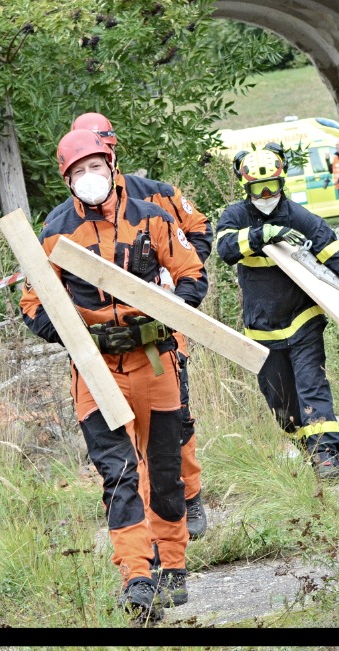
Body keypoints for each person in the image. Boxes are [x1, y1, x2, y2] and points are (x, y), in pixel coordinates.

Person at [20, 130, 208, 621]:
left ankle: (172, 567)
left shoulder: (151, 217)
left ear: (111, 165)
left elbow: (192, 274)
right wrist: (68, 334)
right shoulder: (56, 230)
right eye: (78, 172)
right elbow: (33, 301)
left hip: (155, 361)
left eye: (95, 167)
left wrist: (173, 308)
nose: (89, 177)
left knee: (164, 470)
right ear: (67, 179)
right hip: (95, 369)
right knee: (119, 473)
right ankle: (137, 577)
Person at [69, 113, 212, 543]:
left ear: (112, 153)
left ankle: (189, 497)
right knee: (120, 434)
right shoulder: (70, 219)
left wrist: (172, 285)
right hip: (111, 341)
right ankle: (146, 517)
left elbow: (199, 232)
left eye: (100, 158)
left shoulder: (157, 196)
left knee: (176, 418)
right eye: (81, 165)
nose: (92, 173)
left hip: (165, 327)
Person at [215, 146, 339, 479]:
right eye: (259, 189)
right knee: (281, 404)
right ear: (247, 189)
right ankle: (308, 448)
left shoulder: (298, 216)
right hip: (261, 327)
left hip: (303, 319)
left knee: (312, 385)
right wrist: (264, 234)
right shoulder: (235, 216)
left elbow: (335, 253)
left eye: (272, 187)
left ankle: (327, 455)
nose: (267, 196)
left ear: (282, 183)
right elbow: (225, 248)